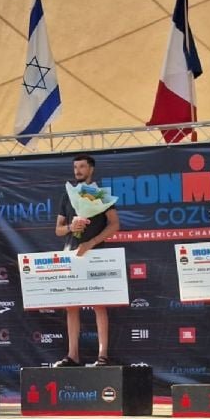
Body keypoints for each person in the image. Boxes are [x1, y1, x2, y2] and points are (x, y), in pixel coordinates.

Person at [52, 154, 120, 367]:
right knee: (71, 305)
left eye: (82, 167)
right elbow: (58, 230)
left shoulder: (100, 194)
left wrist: (91, 242)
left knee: (99, 304)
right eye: (75, 167)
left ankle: (103, 355)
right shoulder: (68, 194)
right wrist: (71, 227)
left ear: (91, 169)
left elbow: (114, 224)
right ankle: (72, 355)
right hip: (71, 253)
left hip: (95, 254)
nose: (78, 171)